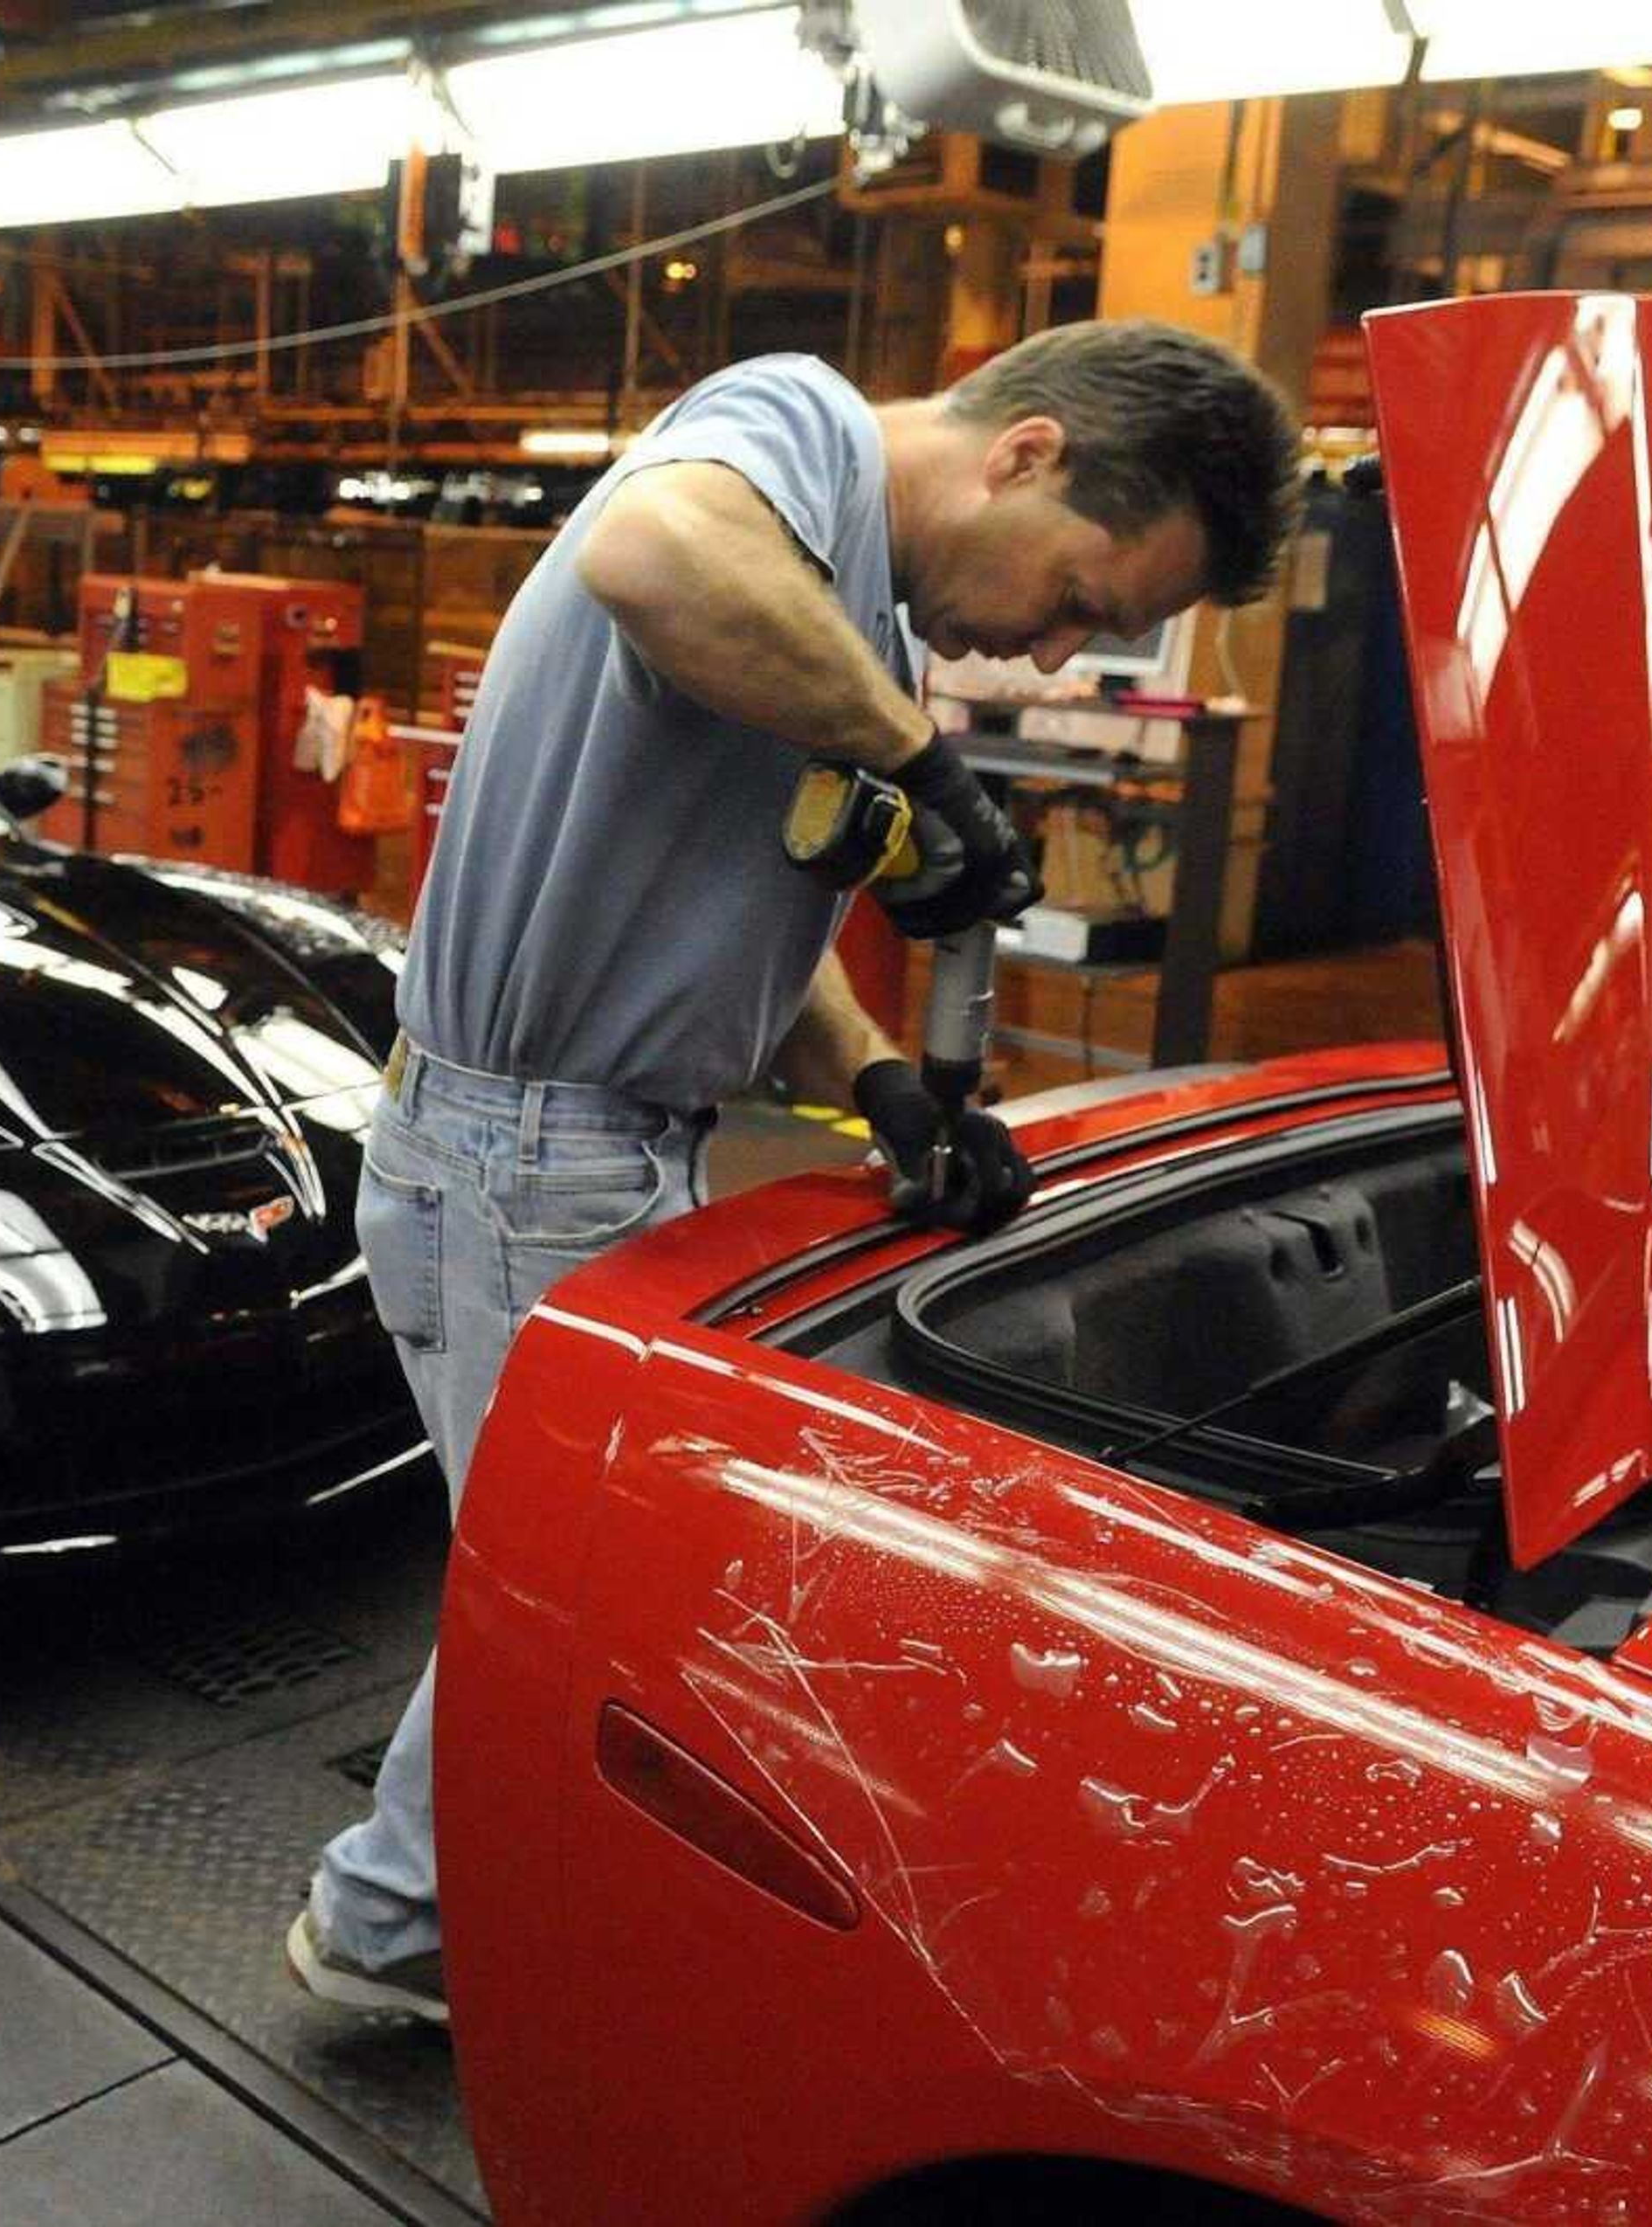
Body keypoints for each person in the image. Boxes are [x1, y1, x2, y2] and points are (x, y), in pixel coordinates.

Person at [281, 321, 1302, 2024]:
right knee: (607, 1598)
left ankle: (394, 1923)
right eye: (1074, 601)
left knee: (571, 1580)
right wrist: (913, 756)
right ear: (1026, 455)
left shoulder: (846, 610)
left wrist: (882, 1078)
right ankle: (431, 1939)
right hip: (522, 1151)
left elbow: (738, 897)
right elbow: (645, 548)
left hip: (595, 1143)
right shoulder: (794, 434)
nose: (1051, 660)